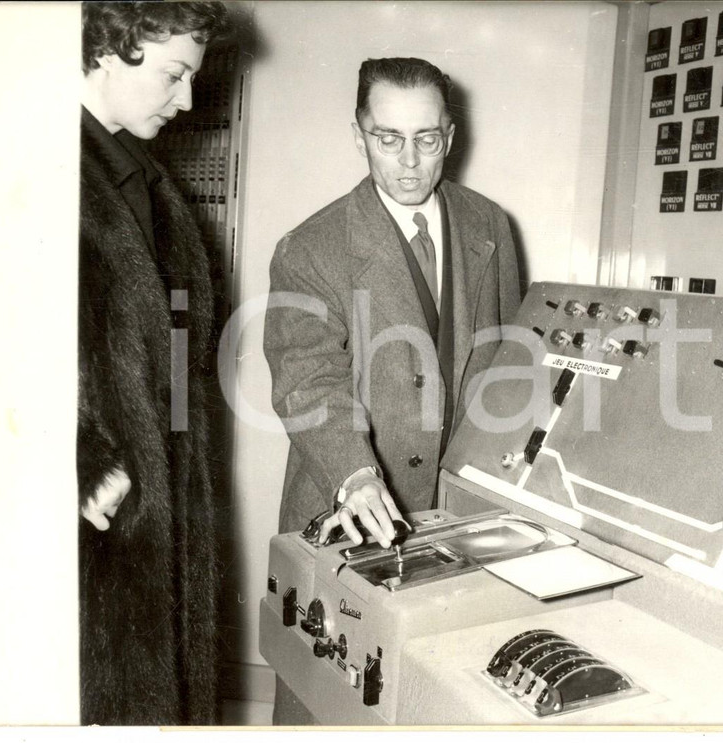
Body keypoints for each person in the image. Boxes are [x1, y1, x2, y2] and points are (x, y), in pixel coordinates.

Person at [263, 57, 522, 721]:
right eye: (388, 139)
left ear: (450, 136)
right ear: (359, 135)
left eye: (427, 139)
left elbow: (506, 366)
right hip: (346, 508)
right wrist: (355, 473)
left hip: (457, 517)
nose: (409, 162)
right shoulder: (311, 246)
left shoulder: (491, 226)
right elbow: (306, 375)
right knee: (326, 705)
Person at [78, 1, 230, 725]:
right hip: (100, 514)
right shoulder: (31, 161)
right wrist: (78, 459)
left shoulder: (135, 170)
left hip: (159, 491)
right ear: (110, 47)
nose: (188, 100)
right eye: (174, 75)